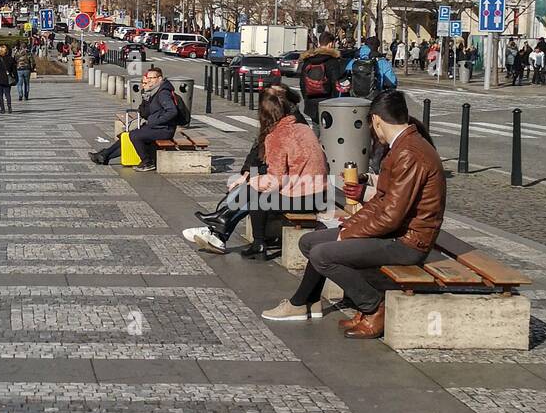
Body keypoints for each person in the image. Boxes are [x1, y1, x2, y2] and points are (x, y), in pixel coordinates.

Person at [260, 89, 446, 335]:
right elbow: (382, 201)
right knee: (309, 242)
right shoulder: (401, 146)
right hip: (394, 232)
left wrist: (347, 234)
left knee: (322, 254)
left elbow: (390, 216)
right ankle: (306, 302)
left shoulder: (409, 153)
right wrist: (350, 225)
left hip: (407, 242)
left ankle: (373, 306)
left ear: (376, 120)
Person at [183, 85, 328, 260]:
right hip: (318, 193)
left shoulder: (278, 135)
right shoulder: (301, 127)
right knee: (254, 192)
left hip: (306, 197)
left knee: (257, 196)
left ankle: (241, 234)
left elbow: (276, 179)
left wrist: (252, 180)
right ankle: (228, 224)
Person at [88, 66, 180, 171]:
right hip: (156, 127)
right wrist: (145, 96)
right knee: (126, 136)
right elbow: (144, 113)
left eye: (152, 78)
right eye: (148, 78)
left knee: (135, 136)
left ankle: (147, 162)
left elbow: (172, 111)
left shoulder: (163, 93)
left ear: (160, 79)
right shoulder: (153, 92)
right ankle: (104, 156)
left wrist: (155, 121)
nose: (149, 80)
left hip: (165, 129)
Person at [296, 31, 342, 134]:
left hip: (311, 102)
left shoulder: (308, 60)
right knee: (330, 131)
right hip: (328, 102)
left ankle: (315, 148)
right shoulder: (332, 61)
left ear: (320, 43)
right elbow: (336, 83)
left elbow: (302, 83)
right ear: (331, 43)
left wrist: (307, 98)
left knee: (316, 129)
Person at [0, 44, 18, 114]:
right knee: (7, 94)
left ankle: (2, 109)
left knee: (0, 95)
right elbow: (14, 70)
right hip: (7, 79)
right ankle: (9, 107)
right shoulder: (11, 59)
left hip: (0, 79)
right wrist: (16, 79)